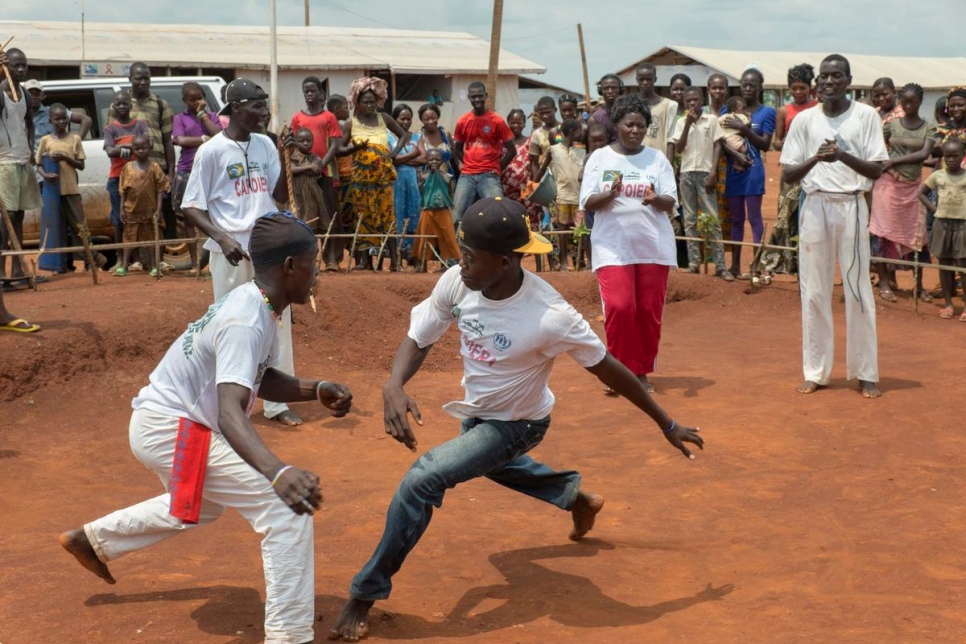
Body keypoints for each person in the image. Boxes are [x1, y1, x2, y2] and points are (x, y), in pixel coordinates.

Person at [326, 196, 703, 642]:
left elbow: (609, 367)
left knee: (422, 480)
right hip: (479, 415)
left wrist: (666, 422)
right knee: (488, 464)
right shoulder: (458, 282)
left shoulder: (551, 316)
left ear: (504, 261)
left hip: (519, 423)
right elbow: (420, 336)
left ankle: (365, 594)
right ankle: (574, 496)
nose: (458, 262)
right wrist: (394, 384)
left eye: (469, 256)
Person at [59, 212, 353, 644]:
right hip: (171, 426)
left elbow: (257, 377)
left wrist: (317, 388)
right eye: (314, 262)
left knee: (201, 505)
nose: (318, 271)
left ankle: (92, 540)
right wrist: (277, 472)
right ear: (290, 267)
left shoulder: (261, 304)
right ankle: (290, 637)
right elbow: (231, 413)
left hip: (170, 422)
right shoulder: (247, 317)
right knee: (285, 510)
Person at [183, 78, 303, 427]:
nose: (264, 112)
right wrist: (221, 238)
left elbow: (279, 196)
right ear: (236, 108)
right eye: (257, 105)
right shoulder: (211, 151)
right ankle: (231, 406)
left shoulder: (265, 144)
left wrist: (285, 155)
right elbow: (191, 206)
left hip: (268, 246)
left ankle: (277, 404)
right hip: (232, 249)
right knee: (235, 326)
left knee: (276, 323)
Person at [780, 54, 888, 399]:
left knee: (857, 290)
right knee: (813, 292)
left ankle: (866, 371)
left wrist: (840, 155)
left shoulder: (866, 115)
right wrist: (816, 158)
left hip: (852, 204)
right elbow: (787, 174)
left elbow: (876, 170)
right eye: (824, 77)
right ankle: (816, 371)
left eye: (836, 76)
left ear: (848, 80)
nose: (829, 82)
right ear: (817, 83)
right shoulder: (805, 120)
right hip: (815, 205)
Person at [579, 94, 679, 395]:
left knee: (647, 310)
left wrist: (654, 199)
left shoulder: (657, 159)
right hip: (613, 246)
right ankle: (621, 373)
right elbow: (588, 202)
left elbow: (669, 201)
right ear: (617, 126)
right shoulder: (600, 158)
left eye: (640, 125)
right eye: (628, 125)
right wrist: (610, 194)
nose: (635, 131)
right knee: (621, 307)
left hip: (653, 246)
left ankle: (641, 371)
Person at [869, 83, 936, 303]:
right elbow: (875, 145)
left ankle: (918, 286)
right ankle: (886, 282)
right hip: (887, 184)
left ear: (920, 101)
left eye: (912, 101)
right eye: (904, 101)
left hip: (912, 186)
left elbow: (925, 153)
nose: (908, 105)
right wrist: (882, 163)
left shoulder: (929, 127)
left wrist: (893, 160)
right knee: (883, 233)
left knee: (916, 237)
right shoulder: (891, 125)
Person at [337, 77, 410, 271]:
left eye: (372, 101)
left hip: (384, 179)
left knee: (387, 218)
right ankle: (365, 263)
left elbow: (403, 135)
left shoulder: (384, 118)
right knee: (362, 218)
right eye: (365, 102)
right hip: (361, 180)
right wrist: (355, 147)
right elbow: (340, 149)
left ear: (377, 101)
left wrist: (393, 155)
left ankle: (395, 262)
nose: (369, 105)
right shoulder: (351, 124)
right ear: (357, 103)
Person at [109, 62, 176, 249]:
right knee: (128, 217)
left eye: (146, 77)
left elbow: (168, 140)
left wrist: (171, 173)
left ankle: (164, 259)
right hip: (129, 171)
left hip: (157, 168)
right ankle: (131, 260)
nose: (143, 82)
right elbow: (111, 135)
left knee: (162, 215)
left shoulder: (161, 105)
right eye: (138, 78)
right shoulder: (119, 103)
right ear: (130, 79)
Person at [762, 63, 819, 281]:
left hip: (813, 170)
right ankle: (776, 263)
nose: (798, 92)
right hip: (791, 171)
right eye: (794, 88)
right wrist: (786, 142)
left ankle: (804, 265)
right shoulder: (784, 111)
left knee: (807, 216)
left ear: (809, 87)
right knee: (784, 216)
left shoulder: (817, 109)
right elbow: (776, 143)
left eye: (802, 88)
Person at [35, 103, 108, 273]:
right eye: (57, 119)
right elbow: (38, 163)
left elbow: (80, 165)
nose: (61, 122)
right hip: (52, 192)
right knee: (56, 228)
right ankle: (61, 265)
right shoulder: (46, 140)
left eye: (63, 118)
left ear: (68, 119)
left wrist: (65, 158)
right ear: (50, 120)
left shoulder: (74, 139)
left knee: (79, 227)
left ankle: (94, 259)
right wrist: (45, 175)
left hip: (71, 190)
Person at [670, 87, 733, 280]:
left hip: (706, 173)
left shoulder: (711, 121)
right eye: (688, 101)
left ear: (701, 100)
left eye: (695, 100)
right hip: (687, 174)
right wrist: (688, 124)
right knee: (689, 219)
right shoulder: (681, 122)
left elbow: (718, 145)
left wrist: (713, 171)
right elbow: (679, 148)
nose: (692, 104)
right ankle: (694, 263)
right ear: (684, 103)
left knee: (712, 219)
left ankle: (721, 266)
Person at [722, 68, 776, 279]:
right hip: (733, 170)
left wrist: (743, 128)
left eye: (752, 85)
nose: (747, 88)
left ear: (760, 87)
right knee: (736, 219)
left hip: (753, 170)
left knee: (754, 218)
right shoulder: (728, 110)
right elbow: (720, 140)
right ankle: (735, 266)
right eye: (744, 84)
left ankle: (756, 266)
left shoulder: (766, 112)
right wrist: (736, 154)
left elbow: (764, 144)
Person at [291, 76, 344, 268]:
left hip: (325, 173)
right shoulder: (298, 118)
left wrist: (322, 163)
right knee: (307, 215)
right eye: (306, 91)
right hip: (304, 175)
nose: (310, 94)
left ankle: (331, 258)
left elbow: (335, 144)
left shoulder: (329, 117)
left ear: (321, 94)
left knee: (328, 215)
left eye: (313, 90)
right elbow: (293, 143)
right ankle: (308, 258)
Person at [173, 82, 222, 276]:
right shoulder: (180, 118)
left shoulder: (211, 117)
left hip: (210, 172)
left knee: (212, 218)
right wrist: (203, 139)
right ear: (184, 100)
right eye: (192, 99)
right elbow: (180, 140)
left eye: (199, 98)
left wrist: (202, 115)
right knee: (189, 219)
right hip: (187, 171)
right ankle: (195, 264)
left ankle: (212, 262)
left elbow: (219, 135)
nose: (196, 102)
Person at [0, 48, 40, 282]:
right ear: (6, 67)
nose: (21, 69)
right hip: (4, 162)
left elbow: (30, 123)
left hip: (22, 161)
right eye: (16, 65)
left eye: (24, 65)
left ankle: (17, 270)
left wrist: (30, 148)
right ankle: (2, 273)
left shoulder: (25, 94)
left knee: (19, 216)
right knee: (5, 218)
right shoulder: (1, 93)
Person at [451, 82, 515, 224]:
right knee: (456, 218)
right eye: (473, 97)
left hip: (489, 176)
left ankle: (496, 246)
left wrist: (496, 168)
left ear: (485, 96)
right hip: (467, 176)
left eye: (480, 96)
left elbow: (512, 151)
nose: (477, 100)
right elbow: (457, 149)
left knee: (498, 214)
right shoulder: (462, 121)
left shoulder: (497, 121)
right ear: (469, 97)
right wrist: (468, 162)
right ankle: (458, 246)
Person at [920, 139, 966, 320]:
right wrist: (934, 210)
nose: (951, 159)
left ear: (962, 156)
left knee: (962, 265)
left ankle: (964, 306)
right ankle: (948, 304)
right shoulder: (938, 175)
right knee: (944, 264)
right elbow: (921, 193)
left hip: (962, 225)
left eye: (955, 156)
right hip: (942, 224)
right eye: (948, 156)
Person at [103, 90, 149, 270]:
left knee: (138, 218)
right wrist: (133, 147)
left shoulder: (140, 125)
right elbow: (109, 151)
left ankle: (138, 259)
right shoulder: (110, 128)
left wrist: (120, 147)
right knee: (119, 220)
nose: (122, 106)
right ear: (113, 106)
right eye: (118, 104)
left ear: (131, 105)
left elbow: (148, 144)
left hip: (139, 178)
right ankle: (121, 259)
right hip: (116, 178)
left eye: (125, 103)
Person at [116, 134, 170, 277]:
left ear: (149, 148)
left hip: (150, 211)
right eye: (137, 148)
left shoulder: (155, 167)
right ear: (132, 149)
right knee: (128, 238)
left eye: (144, 148)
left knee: (151, 239)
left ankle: (154, 266)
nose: (140, 151)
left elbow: (160, 189)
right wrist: (121, 209)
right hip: (131, 210)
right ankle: (124, 266)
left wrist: (159, 209)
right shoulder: (127, 168)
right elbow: (123, 191)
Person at [540, 118, 586, 270]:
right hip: (561, 196)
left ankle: (578, 261)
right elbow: (542, 169)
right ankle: (563, 262)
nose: (582, 133)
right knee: (561, 231)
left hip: (578, 197)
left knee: (578, 232)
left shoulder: (581, 152)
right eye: (579, 130)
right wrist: (533, 185)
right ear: (572, 133)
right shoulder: (553, 150)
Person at [499, 108, 544, 249]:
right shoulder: (502, 144)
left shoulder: (530, 142)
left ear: (524, 124)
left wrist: (534, 188)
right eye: (513, 122)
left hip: (526, 188)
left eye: (519, 122)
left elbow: (534, 165)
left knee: (530, 220)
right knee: (508, 220)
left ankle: (534, 254)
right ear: (508, 123)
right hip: (506, 189)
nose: (516, 125)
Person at [412, 148, 459, 272]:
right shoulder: (424, 177)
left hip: (443, 211)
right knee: (423, 237)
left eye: (437, 159)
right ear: (426, 161)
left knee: (447, 237)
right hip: (428, 210)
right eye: (431, 159)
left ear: (442, 161)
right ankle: (421, 265)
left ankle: (447, 265)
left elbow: (450, 193)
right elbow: (420, 191)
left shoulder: (447, 177)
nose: (434, 162)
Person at [388, 104, 422, 268]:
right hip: (395, 181)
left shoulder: (416, 136)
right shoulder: (388, 136)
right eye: (402, 118)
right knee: (397, 214)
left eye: (409, 118)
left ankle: (412, 253)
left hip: (412, 182)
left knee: (413, 213)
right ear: (394, 119)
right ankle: (398, 254)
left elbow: (423, 159)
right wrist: (413, 155)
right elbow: (390, 159)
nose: (406, 121)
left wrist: (402, 159)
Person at [707, 73, 733, 260]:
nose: (717, 91)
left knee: (725, 211)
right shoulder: (700, 111)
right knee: (705, 211)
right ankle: (704, 259)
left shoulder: (731, 113)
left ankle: (722, 260)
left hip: (728, 168)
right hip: (703, 166)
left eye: (721, 87)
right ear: (708, 89)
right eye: (714, 87)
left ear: (726, 90)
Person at [289, 128, 329, 236]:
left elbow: (316, 169)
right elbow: (290, 170)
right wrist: (309, 167)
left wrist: (301, 168)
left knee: (313, 225)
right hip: (297, 196)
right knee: (298, 222)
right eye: (302, 141)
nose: (306, 143)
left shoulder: (315, 157)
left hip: (312, 196)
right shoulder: (291, 157)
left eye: (309, 141)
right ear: (295, 142)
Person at [635, 64, 678, 161]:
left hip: (658, 158)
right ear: (637, 80)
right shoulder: (631, 104)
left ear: (655, 79)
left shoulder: (668, 105)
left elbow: (671, 138)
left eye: (649, 79)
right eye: (641, 79)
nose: (645, 82)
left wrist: (669, 165)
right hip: (635, 157)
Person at [414, 102, 454, 175]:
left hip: (447, 180)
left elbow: (454, 155)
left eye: (433, 118)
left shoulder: (446, 135)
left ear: (438, 117)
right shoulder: (418, 137)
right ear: (421, 120)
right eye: (426, 119)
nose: (431, 121)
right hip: (427, 181)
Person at [528, 95, 560, 179]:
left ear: (555, 110)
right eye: (542, 113)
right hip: (547, 178)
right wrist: (536, 183)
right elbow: (534, 163)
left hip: (565, 175)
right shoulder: (537, 134)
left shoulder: (564, 128)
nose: (545, 116)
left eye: (548, 112)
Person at [591, 73, 623, 142]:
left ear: (620, 89)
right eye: (606, 88)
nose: (610, 91)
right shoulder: (595, 118)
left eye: (614, 88)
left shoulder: (629, 112)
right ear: (600, 91)